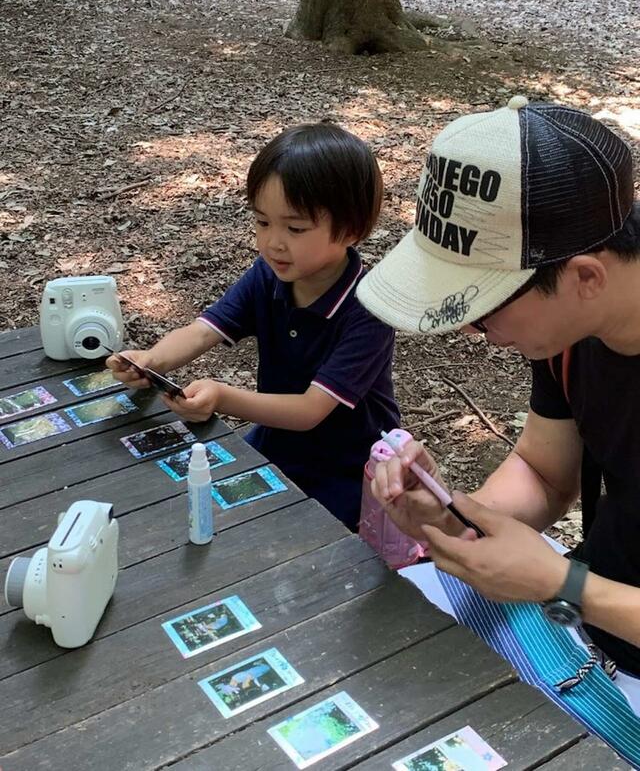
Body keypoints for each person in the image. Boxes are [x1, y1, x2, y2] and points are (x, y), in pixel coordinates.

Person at [356, 96, 640, 714]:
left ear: (585, 278)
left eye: (484, 307)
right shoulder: (573, 332)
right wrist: (454, 514)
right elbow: (545, 472)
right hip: (589, 635)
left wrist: (564, 584)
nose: (469, 328)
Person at [108, 122, 400, 530]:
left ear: (350, 229)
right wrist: (150, 360)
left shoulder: (369, 308)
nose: (272, 243)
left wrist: (221, 396)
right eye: (262, 222)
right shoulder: (269, 275)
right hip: (275, 443)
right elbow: (204, 330)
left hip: (349, 471)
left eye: (295, 228)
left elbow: (310, 411)